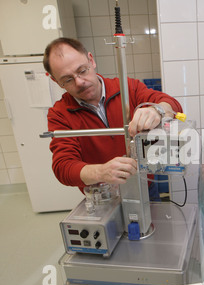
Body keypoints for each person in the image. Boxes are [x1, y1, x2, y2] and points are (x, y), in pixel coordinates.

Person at [43, 37, 183, 192]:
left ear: (91, 60)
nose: (79, 82)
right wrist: (101, 172)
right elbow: (63, 167)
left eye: (82, 71)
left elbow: (171, 104)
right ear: (56, 81)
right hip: (102, 195)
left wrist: (158, 110)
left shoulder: (127, 88)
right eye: (68, 80)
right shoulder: (59, 114)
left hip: (143, 186)